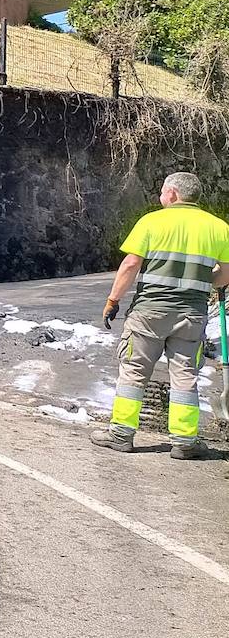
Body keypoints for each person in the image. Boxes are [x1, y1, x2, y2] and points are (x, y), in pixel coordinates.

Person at [91, 172, 229, 458]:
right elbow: (226, 273)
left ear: (174, 195)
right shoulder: (218, 228)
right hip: (192, 314)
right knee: (185, 375)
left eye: (163, 192)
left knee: (134, 369)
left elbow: (130, 264)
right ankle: (184, 442)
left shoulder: (152, 222)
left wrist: (113, 300)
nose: (160, 197)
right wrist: (201, 282)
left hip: (149, 312)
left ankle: (120, 434)